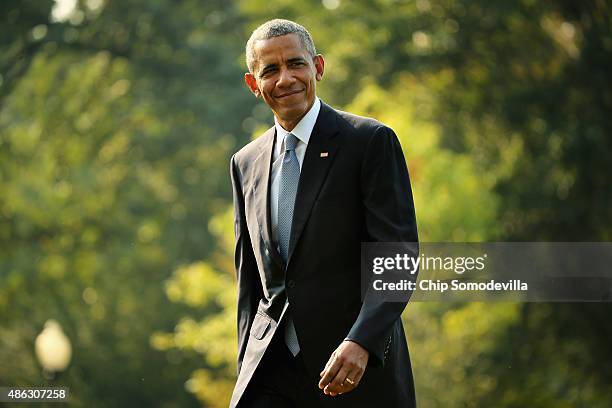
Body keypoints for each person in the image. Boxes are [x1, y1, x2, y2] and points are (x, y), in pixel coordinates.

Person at [229, 19, 418, 408]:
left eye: (295, 64)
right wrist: (245, 364)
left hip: (355, 370)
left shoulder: (369, 142)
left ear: (318, 66)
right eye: (270, 70)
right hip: (272, 374)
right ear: (253, 84)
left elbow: (396, 257)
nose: (285, 79)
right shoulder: (244, 163)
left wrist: (361, 340)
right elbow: (249, 284)